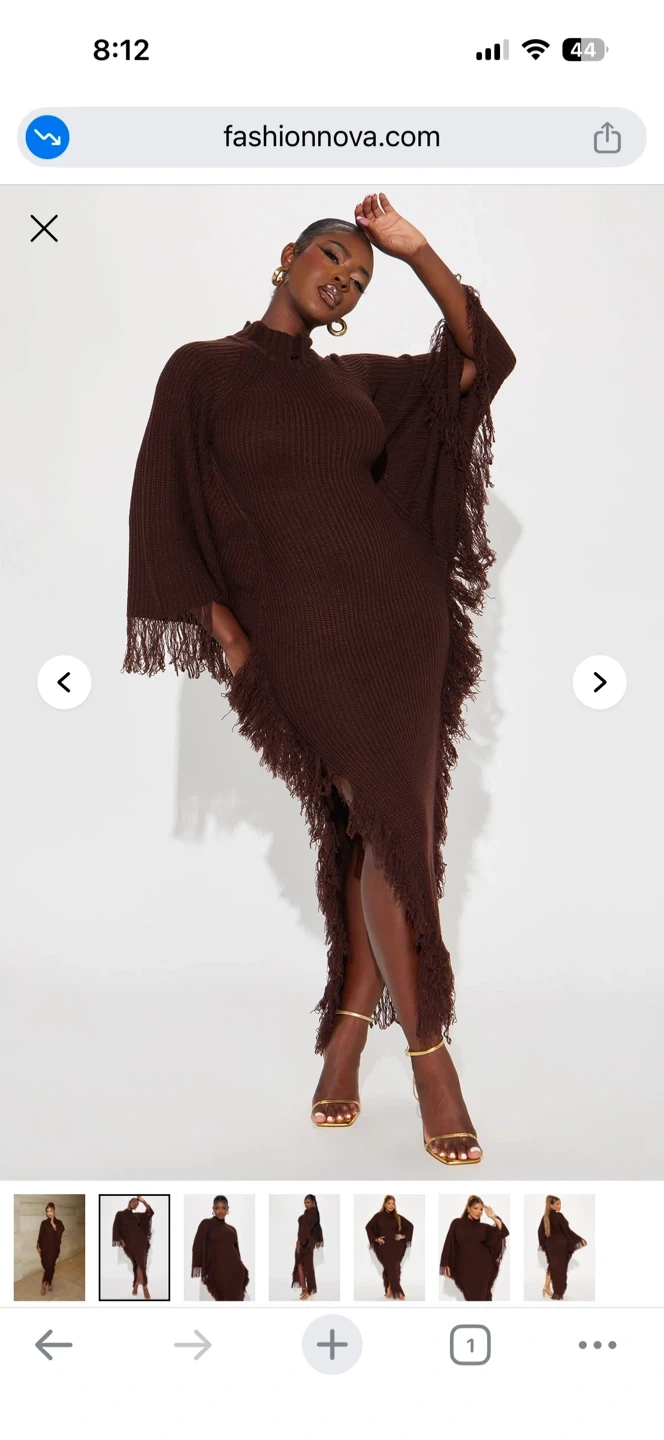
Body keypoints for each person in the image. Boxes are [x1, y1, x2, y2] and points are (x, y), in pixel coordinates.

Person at [124, 192, 516, 1166]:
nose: (344, 277)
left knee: (385, 830)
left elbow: (480, 363)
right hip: (300, 639)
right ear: (287, 257)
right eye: (333, 257)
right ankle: (425, 1055)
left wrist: (416, 252)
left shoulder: (352, 383)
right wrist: (232, 641)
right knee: (379, 825)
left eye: (359, 277)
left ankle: (362, 1041)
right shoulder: (202, 370)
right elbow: (165, 502)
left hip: (401, 627)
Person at [440, 1194, 508, 1301]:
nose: (479, 1212)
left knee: (481, 1298)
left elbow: (503, 1232)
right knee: (473, 1298)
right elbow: (449, 1242)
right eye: (476, 1208)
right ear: (468, 1208)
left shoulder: (483, 1228)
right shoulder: (457, 1223)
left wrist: (493, 1217)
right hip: (464, 1270)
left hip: (483, 1270)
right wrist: (446, 1263)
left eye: (481, 1209)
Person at [191, 1195, 250, 1301]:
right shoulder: (206, 1224)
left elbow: (237, 1252)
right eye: (217, 1208)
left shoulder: (232, 1229)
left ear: (228, 1209)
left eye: (223, 1208)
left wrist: (241, 1267)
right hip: (218, 1271)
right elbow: (197, 1245)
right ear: (213, 1209)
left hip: (236, 1271)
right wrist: (200, 1267)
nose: (220, 1211)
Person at [538, 1196, 587, 1299]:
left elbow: (540, 1232)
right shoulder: (558, 1216)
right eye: (557, 1204)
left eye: (560, 1203)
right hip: (560, 1247)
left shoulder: (545, 1217)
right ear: (551, 1205)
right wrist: (579, 1239)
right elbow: (567, 1231)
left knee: (552, 1266)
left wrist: (545, 1245)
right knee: (560, 1269)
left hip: (550, 1246)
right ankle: (558, 1293)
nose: (560, 1206)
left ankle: (546, 1287)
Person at [365, 1195, 414, 1299]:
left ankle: (390, 1289)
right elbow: (368, 1227)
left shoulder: (398, 1217)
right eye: (389, 1203)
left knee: (394, 1267)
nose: (391, 1205)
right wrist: (375, 1238)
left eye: (393, 1203)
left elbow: (410, 1226)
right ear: (384, 1204)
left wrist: (403, 1236)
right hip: (384, 1246)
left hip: (397, 1246)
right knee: (391, 1267)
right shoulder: (378, 1216)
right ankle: (398, 1291)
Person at [112, 1195, 154, 1299]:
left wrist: (143, 1201)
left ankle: (143, 1287)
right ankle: (138, 1286)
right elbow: (116, 1227)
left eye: (137, 1204)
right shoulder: (120, 1214)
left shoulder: (137, 1216)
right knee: (139, 1264)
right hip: (129, 1244)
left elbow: (150, 1212)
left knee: (141, 1264)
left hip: (141, 1242)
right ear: (129, 1202)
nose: (135, 1204)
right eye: (134, 1202)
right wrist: (121, 1240)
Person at [292, 1194, 324, 1300]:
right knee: (299, 1265)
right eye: (305, 1202)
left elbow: (307, 1229)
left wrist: (301, 1243)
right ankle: (304, 1289)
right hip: (301, 1241)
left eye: (308, 1202)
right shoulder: (307, 1213)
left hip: (307, 1243)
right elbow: (303, 1229)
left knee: (308, 1266)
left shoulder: (313, 1213)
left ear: (313, 1203)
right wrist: (299, 1242)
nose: (306, 1204)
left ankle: (310, 1290)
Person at [37, 1203, 65, 1296]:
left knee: (50, 1266)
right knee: (47, 1266)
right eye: (47, 1211)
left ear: (54, 1211)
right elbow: (40, 1235)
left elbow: (60, 1233)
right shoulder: (43, 1223)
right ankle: (50, 1281)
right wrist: (38, 1246)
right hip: (44, 1248)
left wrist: (53, 1225)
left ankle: (43, 1285)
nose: (49, 1213)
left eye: (51, 1211)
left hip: (53, 1249)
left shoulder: (59, 1223)